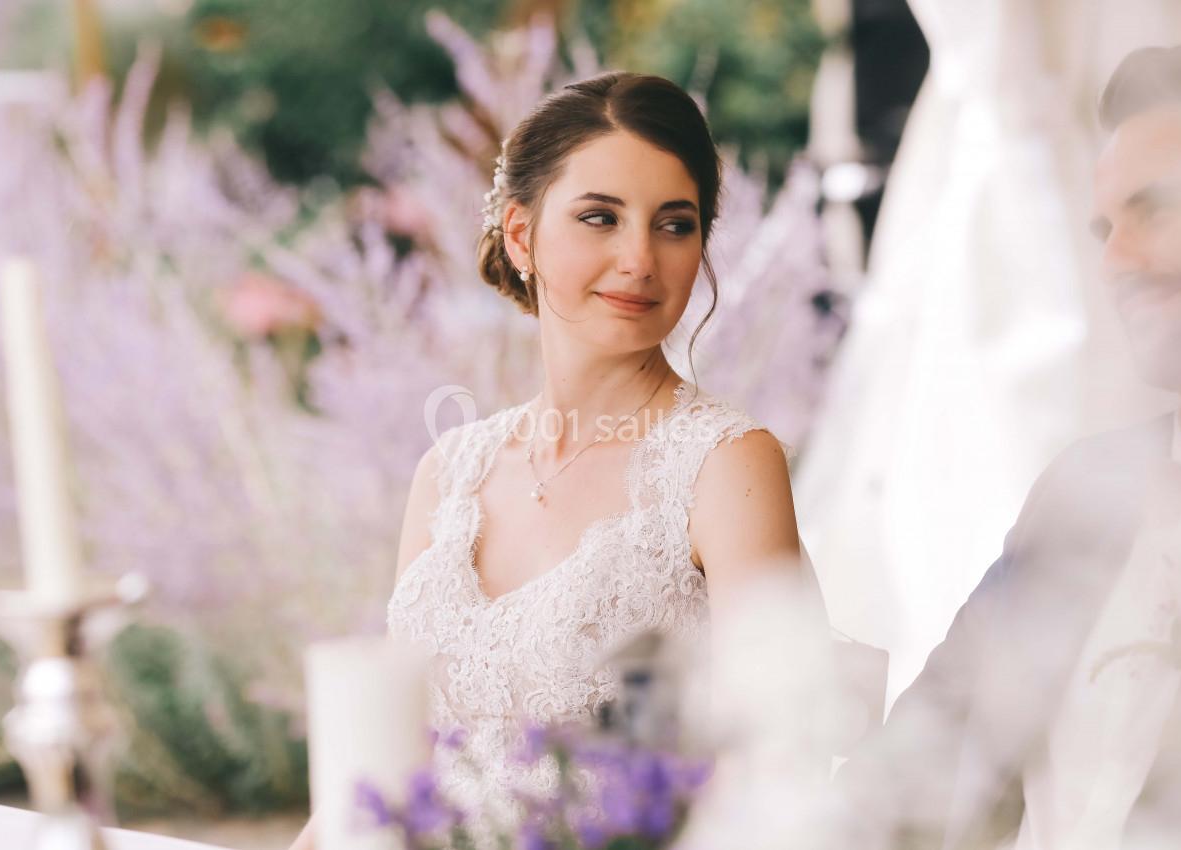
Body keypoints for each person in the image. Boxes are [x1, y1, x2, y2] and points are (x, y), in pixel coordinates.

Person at [289, 70, 825, 850]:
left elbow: (776, 768)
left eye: (675, 225)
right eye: (600, 217)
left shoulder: (726, 466)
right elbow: (385, 765)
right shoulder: (450, 473)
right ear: (520, 235)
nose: (640, 258)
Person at [837, 37, 1181, 850]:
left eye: (1156, 210)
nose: (1114, 262)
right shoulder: (1084, 489)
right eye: (1105, 227)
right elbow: (914, 758)